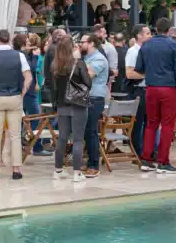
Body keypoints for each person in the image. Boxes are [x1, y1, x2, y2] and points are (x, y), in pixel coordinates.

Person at [134, 17, 176, 173]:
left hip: (150, 88)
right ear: (169, 30)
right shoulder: (173, 45)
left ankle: (146, 160)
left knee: (151, 124)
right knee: (167, 125)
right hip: (168, 87)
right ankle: (163, 161)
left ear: (155, 28)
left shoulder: (146, 45)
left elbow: (139, 68)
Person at [0, 29, 31, 180]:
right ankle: (16, 169)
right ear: (9, 39)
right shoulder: (20, 56)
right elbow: (28, 78)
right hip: (15, 96)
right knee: (15, 135)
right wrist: (22, 92)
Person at [50, 36, 91, 182]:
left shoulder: (55, 65)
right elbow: (88, 83)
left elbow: (53, 88)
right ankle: (77, 173)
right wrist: (79, 60)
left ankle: (58, 170)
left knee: (62, 138)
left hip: (62, 104)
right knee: (78, 139)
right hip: (78, 105)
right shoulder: (78, 63)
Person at [80, 34, 110, 177]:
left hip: (95, 98)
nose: (80, 44)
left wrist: (77, 61)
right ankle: (89, 161)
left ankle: (94, 165)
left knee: (91, 131)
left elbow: (89, 74)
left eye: (82, 42)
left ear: (91, 43)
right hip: (86, 97)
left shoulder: (98, 58)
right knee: (86, 130)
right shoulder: (87, 58)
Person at [125, 24, 152, 159]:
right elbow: (129, 74)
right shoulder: (133, 51)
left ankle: (148, 150)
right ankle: (137, 151)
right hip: (138, 90)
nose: (150, 35)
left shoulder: (148, 50)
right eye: (147, 33)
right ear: (139, 36)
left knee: (149, 122)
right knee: (138, 122)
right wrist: (148, 75)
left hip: (149, 90)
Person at [21, 33, 50, 157]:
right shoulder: (27, 56)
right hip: (29, 92)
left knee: (30, 118)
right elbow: (32, 69)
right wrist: (36, 57)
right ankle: (31, 142)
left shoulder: (26, 54)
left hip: (29, 91)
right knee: (36, 118)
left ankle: (28, 141)